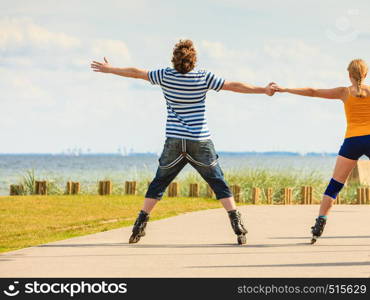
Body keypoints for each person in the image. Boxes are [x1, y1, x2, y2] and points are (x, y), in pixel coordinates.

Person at [91, 39, 275, 245]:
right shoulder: (204, 77)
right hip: (200, 140)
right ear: (193, 59)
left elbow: (136, 72)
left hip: (175, 141)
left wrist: (110, 69)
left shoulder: (164, 75)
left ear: (174, 59)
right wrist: (263, 89)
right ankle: (237, 225)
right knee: (217, 181)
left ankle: (139, 225)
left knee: (160, 182)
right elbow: (234, 86)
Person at [272, 59, 369, 244]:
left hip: (352, 142)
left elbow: (313, 92)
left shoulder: (344, 92)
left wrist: (284, 89)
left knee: (335, 186)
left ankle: (320, 223)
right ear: (366, 74)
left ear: (349, 75)